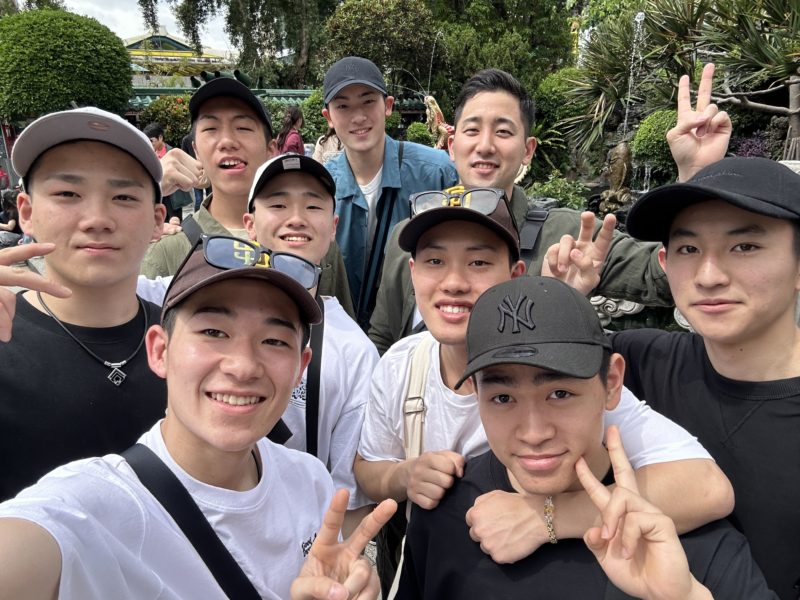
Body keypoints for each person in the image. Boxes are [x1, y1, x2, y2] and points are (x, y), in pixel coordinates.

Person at [354, 186, 733, 594]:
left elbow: (707, 487)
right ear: (412, 272)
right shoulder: (402, 363)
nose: (454, 282)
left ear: (516, 274)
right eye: (434, 261)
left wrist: (547, 517)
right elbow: (367, 468)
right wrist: (405, 475)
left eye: (479, 262)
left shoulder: (574, 380)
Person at [0, 237, 397, 599]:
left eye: (274, 341)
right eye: (213, 332)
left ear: (300, 368)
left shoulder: (310, 480)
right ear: (160, 351)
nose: (243, 366)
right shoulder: (93, 508)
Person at [395, 276, 775, 599]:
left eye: (560, 394)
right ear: (475, 393)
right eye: (503, 398)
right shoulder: (442, 516)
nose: (534, 433)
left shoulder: (676, 538)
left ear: (612, 383)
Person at [368, 65, 731, 354]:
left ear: (527, 150)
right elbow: (383, 339)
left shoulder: (568, 235)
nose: (485, 146)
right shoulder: (409, 235)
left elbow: (667, 277)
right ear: (451, 144)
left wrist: (695, 178)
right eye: (472, 130)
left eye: (503, 132)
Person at [136, 153, 379, 535]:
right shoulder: (189, 290)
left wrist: (327, 560)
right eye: (214, 331)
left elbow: (347, 499)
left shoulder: (354, 351)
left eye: (313, 205)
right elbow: (98, 285)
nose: (296, 218)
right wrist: (147, 192)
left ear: (334, 226)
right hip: (172, 520)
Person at [606, 157, 800, 599]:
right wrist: (564, 295)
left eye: (744, 247)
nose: (709, 277)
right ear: (664, 262)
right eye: (688, 250)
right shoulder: (637, 364)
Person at [0, 107, 168, 500]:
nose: (97, 219)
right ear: (26, 212)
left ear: (158, 219)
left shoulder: (195, 341)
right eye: (67, 194)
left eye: (123, 196)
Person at [140, 77, 354, 316]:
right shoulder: (168, 251)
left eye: (243, 128)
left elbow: (341, 327)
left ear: (271, 149)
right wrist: (146, 196)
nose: (227, 142)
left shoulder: (314, 238)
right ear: (196, 150)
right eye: (211, 129)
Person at [321, 56, 458, 326]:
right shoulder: (322, 188)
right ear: (329, 117)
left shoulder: (437, 172)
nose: (358, 117)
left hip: (418, 336)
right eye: (343, 106)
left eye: (368, 101)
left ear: (388, 106)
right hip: (346, 340)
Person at [143, 122, 192, 223]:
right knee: (160, 223)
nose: (150, 144)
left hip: (174, 198)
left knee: (176, 222)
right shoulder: (149, 154)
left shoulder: (173, 153)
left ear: (160, 138)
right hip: (159, 197)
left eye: (151, 140)